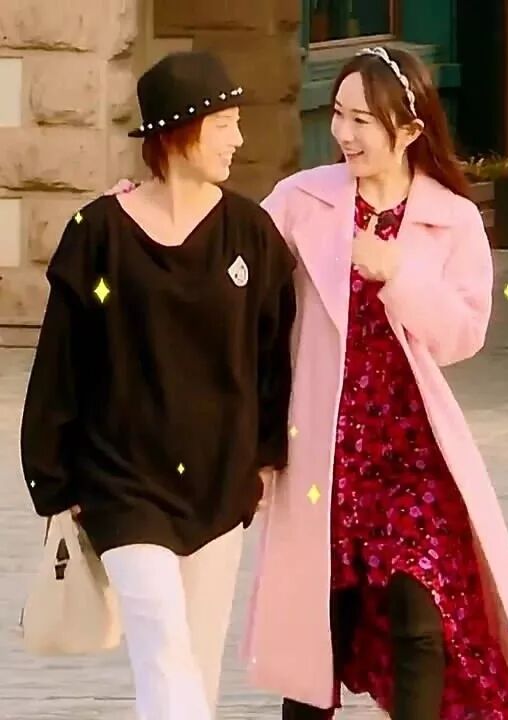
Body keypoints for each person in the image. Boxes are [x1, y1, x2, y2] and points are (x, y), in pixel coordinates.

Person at [243, 47, 508, 719]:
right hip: (325, 450)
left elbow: (463, 334)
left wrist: (399, 273)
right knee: (319, 631)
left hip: (412, 452)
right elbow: (234, 269)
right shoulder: (301, 201)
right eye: (339, 114)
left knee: (421, 620)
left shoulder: (452, 218)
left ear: (410, 130)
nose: (344, 133)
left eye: (363, 120)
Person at [20, 50, 296, 720]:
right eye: (224, 124)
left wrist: (267, 456)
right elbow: (62, 361)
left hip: (219, 479)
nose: (237, 139)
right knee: (163, 641)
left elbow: (274, 356)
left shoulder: (250, 234)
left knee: (193, 659)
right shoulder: (98, 234)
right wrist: (54, 479)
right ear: (178, 131)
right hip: (121, 480)